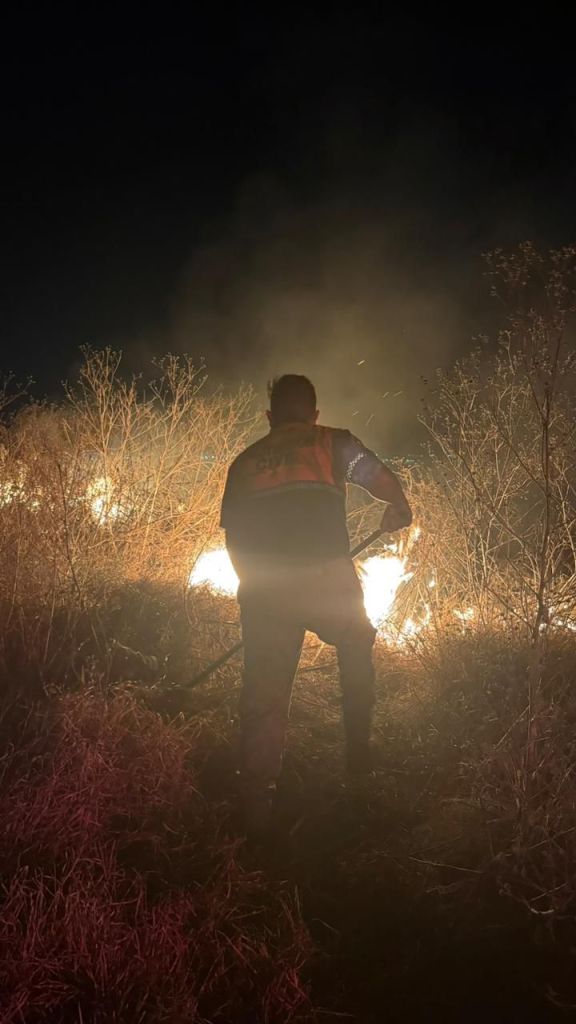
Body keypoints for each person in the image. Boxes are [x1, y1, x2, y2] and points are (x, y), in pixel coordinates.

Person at [220, 374, 412, 835]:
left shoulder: (243, 463)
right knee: (356, 641)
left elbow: (234, 541)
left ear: (270, 418)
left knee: (264, 697)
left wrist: (258, 590)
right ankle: (359, 756)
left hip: (266, 590)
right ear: (314, 414)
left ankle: (256, 810)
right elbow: (380, 479)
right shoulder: (333, 442)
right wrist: (399, 505)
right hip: (328, 580)